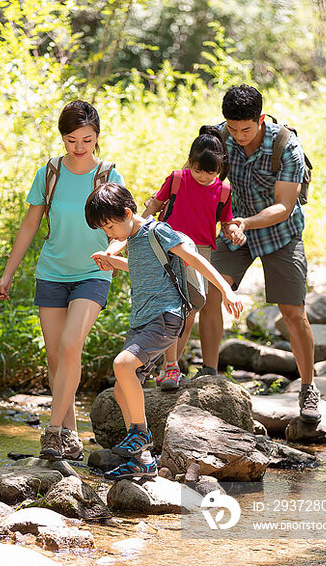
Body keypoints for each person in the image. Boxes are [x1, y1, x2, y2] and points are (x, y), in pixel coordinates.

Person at [85, 182, 243, 480]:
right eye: (104, 230)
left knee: (122, 364)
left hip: (166, 317)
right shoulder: (133, 239)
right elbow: (141, 268)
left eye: (109, 226)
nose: (109, 234)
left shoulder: (159, 231)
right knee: (122, 388)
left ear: (128, 213)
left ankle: (140, 435)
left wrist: (226, 291)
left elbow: (194, 260)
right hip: (142, 320)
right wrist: (112, 261)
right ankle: (143, 461)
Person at [0, 100, 124, 460]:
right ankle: (70, 435)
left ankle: (52, 431)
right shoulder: (49, 173)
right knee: (55, 358)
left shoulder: (108, 175)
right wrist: (9, 273)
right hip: (51, 272)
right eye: (71, 140)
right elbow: (30, 225)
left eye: (87, 139)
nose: (79, 148)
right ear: (62, 138)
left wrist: (113, 251)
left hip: (93, 273)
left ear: (98, 136)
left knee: (70, 345)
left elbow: (124, 227)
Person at [210, 84, 320, 422]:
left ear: (260, 119)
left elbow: (285, 206)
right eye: (233, 128)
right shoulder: (217, 138)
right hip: (233, 230)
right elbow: (201, 185)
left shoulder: (287, 146)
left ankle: (308, 388)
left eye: (246, 128)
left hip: (280, 233)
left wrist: (245, 222)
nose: (239, 135)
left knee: (292, 313)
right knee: (212, 292)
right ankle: (209, 374)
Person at [143, 128, 246, 390]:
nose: (203, 176)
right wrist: (140, 225)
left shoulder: (223, 190)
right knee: (168, 307)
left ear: (220, 167)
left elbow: (226, 222)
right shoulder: (178, 179)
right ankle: (166, 366)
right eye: (199, 170)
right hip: (168, 246)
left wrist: (234, 231)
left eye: (210, 172)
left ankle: (171, 366)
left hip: (200, 252)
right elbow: (156, 204)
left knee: (189, 313)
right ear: (191, 161)